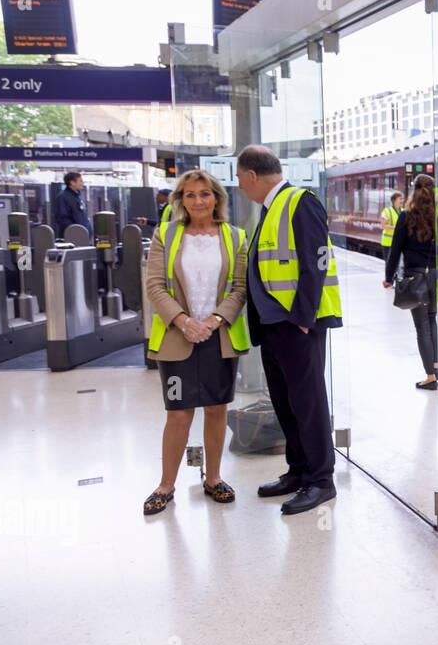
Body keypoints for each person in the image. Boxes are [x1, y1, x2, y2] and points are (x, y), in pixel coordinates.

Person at [236, 145, 343, 515]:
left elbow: (317, 260)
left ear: (251, 175)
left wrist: (303, 317)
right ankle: (298, 471)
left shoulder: (300, 201)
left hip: (298, 324)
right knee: (287, 401)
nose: (239, 187)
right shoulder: (270, 209)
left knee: (308, 402)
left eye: (239, 179)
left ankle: (321, 480)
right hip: (274, 326)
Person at [141, 170, 251, 515]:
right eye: (190, 195)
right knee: (178, 413)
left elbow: (240, 287)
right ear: (180, 200)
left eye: (205, 194)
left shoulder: (235, 237)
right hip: (177, 337)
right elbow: (155, 285)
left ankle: (213, 478)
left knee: (217, 409)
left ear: (217, 197)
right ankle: (166, 484)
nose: (198, 201)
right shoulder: (166, 234)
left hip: (219, 338)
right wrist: (184, 322)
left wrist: (214, 320)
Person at [383, 174, 438, 389]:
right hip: (435, 276)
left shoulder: (406, 216)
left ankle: (430, 377)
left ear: (413, 192)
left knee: (422, 327)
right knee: (432, 320)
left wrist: (388, 278)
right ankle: (434, 367)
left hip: (415, 278)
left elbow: (395, 250)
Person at [52, 171, 91, 239]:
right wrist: (75, 231)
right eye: (80, 181)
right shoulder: (62, 197)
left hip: (84, 236)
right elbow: (62, 218)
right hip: (72, 237)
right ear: (72, 182)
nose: (82, 183)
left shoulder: (77, 197)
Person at [379, 191, 404, 259]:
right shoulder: (387, 211)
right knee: (390, 264)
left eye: (402, 199)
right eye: (400, 199)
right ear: (394, 200)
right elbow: (383, 226)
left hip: (399, 244)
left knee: (399, 266)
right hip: (388, 243)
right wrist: (396, 228)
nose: (402, 201)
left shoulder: (403, 211)